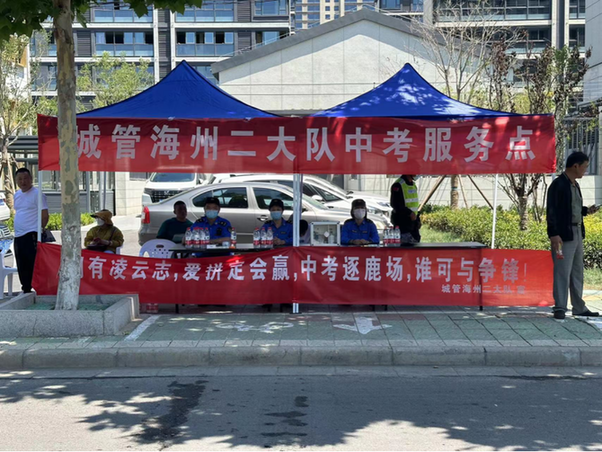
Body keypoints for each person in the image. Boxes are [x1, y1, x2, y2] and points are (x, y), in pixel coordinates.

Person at [547, 151, 600, 320]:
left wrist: (586, 211)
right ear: (575, 166)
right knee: (562, 271)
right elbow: (552, 211)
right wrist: (553, 233)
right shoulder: (558, 185)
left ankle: (579, 307)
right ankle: (560, 307)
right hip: (563, 235)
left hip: (577, 232)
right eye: (585, 166)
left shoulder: (575, 184)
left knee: (577, 272)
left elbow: (572, 208)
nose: (585, 170)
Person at [13, 167, 49, 293]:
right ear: (16, 180)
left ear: (31, 179)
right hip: (19, 235)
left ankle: (40, 289)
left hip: (32, 233)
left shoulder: (37, 194)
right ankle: (26, 289)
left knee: (33, 263)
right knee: (21, 263)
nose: (23, 181)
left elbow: (45, 215)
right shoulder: (17, 195)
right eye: (20, 179)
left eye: (25, 178)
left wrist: (40, 230)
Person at [390, 174, 421, 243]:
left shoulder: (413, 185)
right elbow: (395, 204)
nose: (417, 174)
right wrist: (409, 213)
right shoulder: (398, 185)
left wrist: (417, 219)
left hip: (413, 224)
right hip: (403, 224)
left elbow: (414, 205)